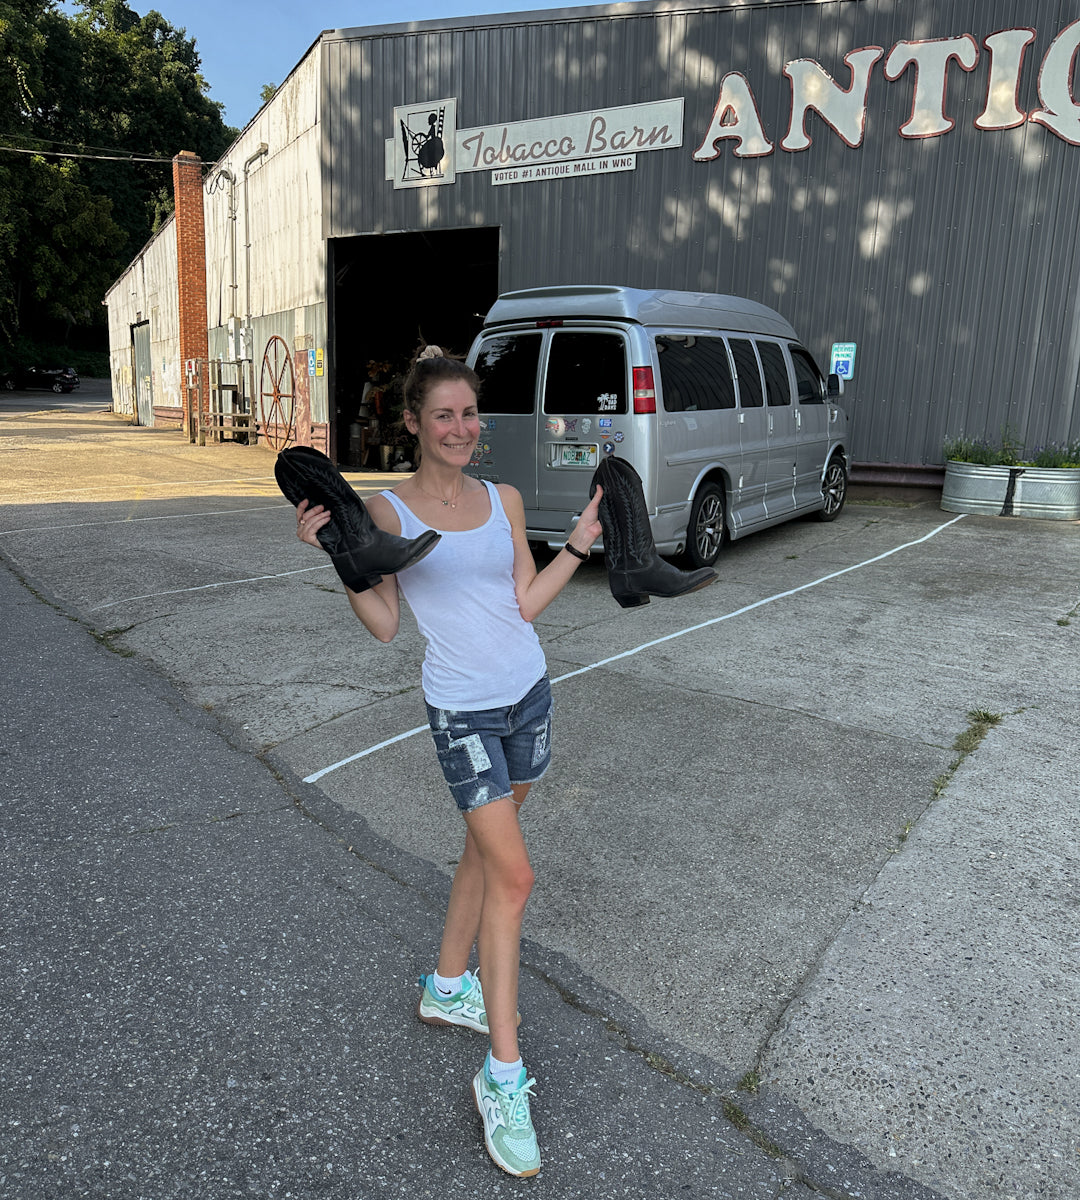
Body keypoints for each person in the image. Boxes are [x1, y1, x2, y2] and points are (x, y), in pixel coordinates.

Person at [294, 346, 602, 1178]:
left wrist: (576, 545)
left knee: (485, 850)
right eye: (445, 415)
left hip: (530, 696)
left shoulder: (504, 497)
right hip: (462, 711)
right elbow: (387, 623)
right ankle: (503, 1076)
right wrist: (338, 558)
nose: (463, 428)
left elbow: (524, 602)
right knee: (515, 877)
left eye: (472, 414)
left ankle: (446, 985)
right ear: (413, 423)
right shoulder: (389, 512)